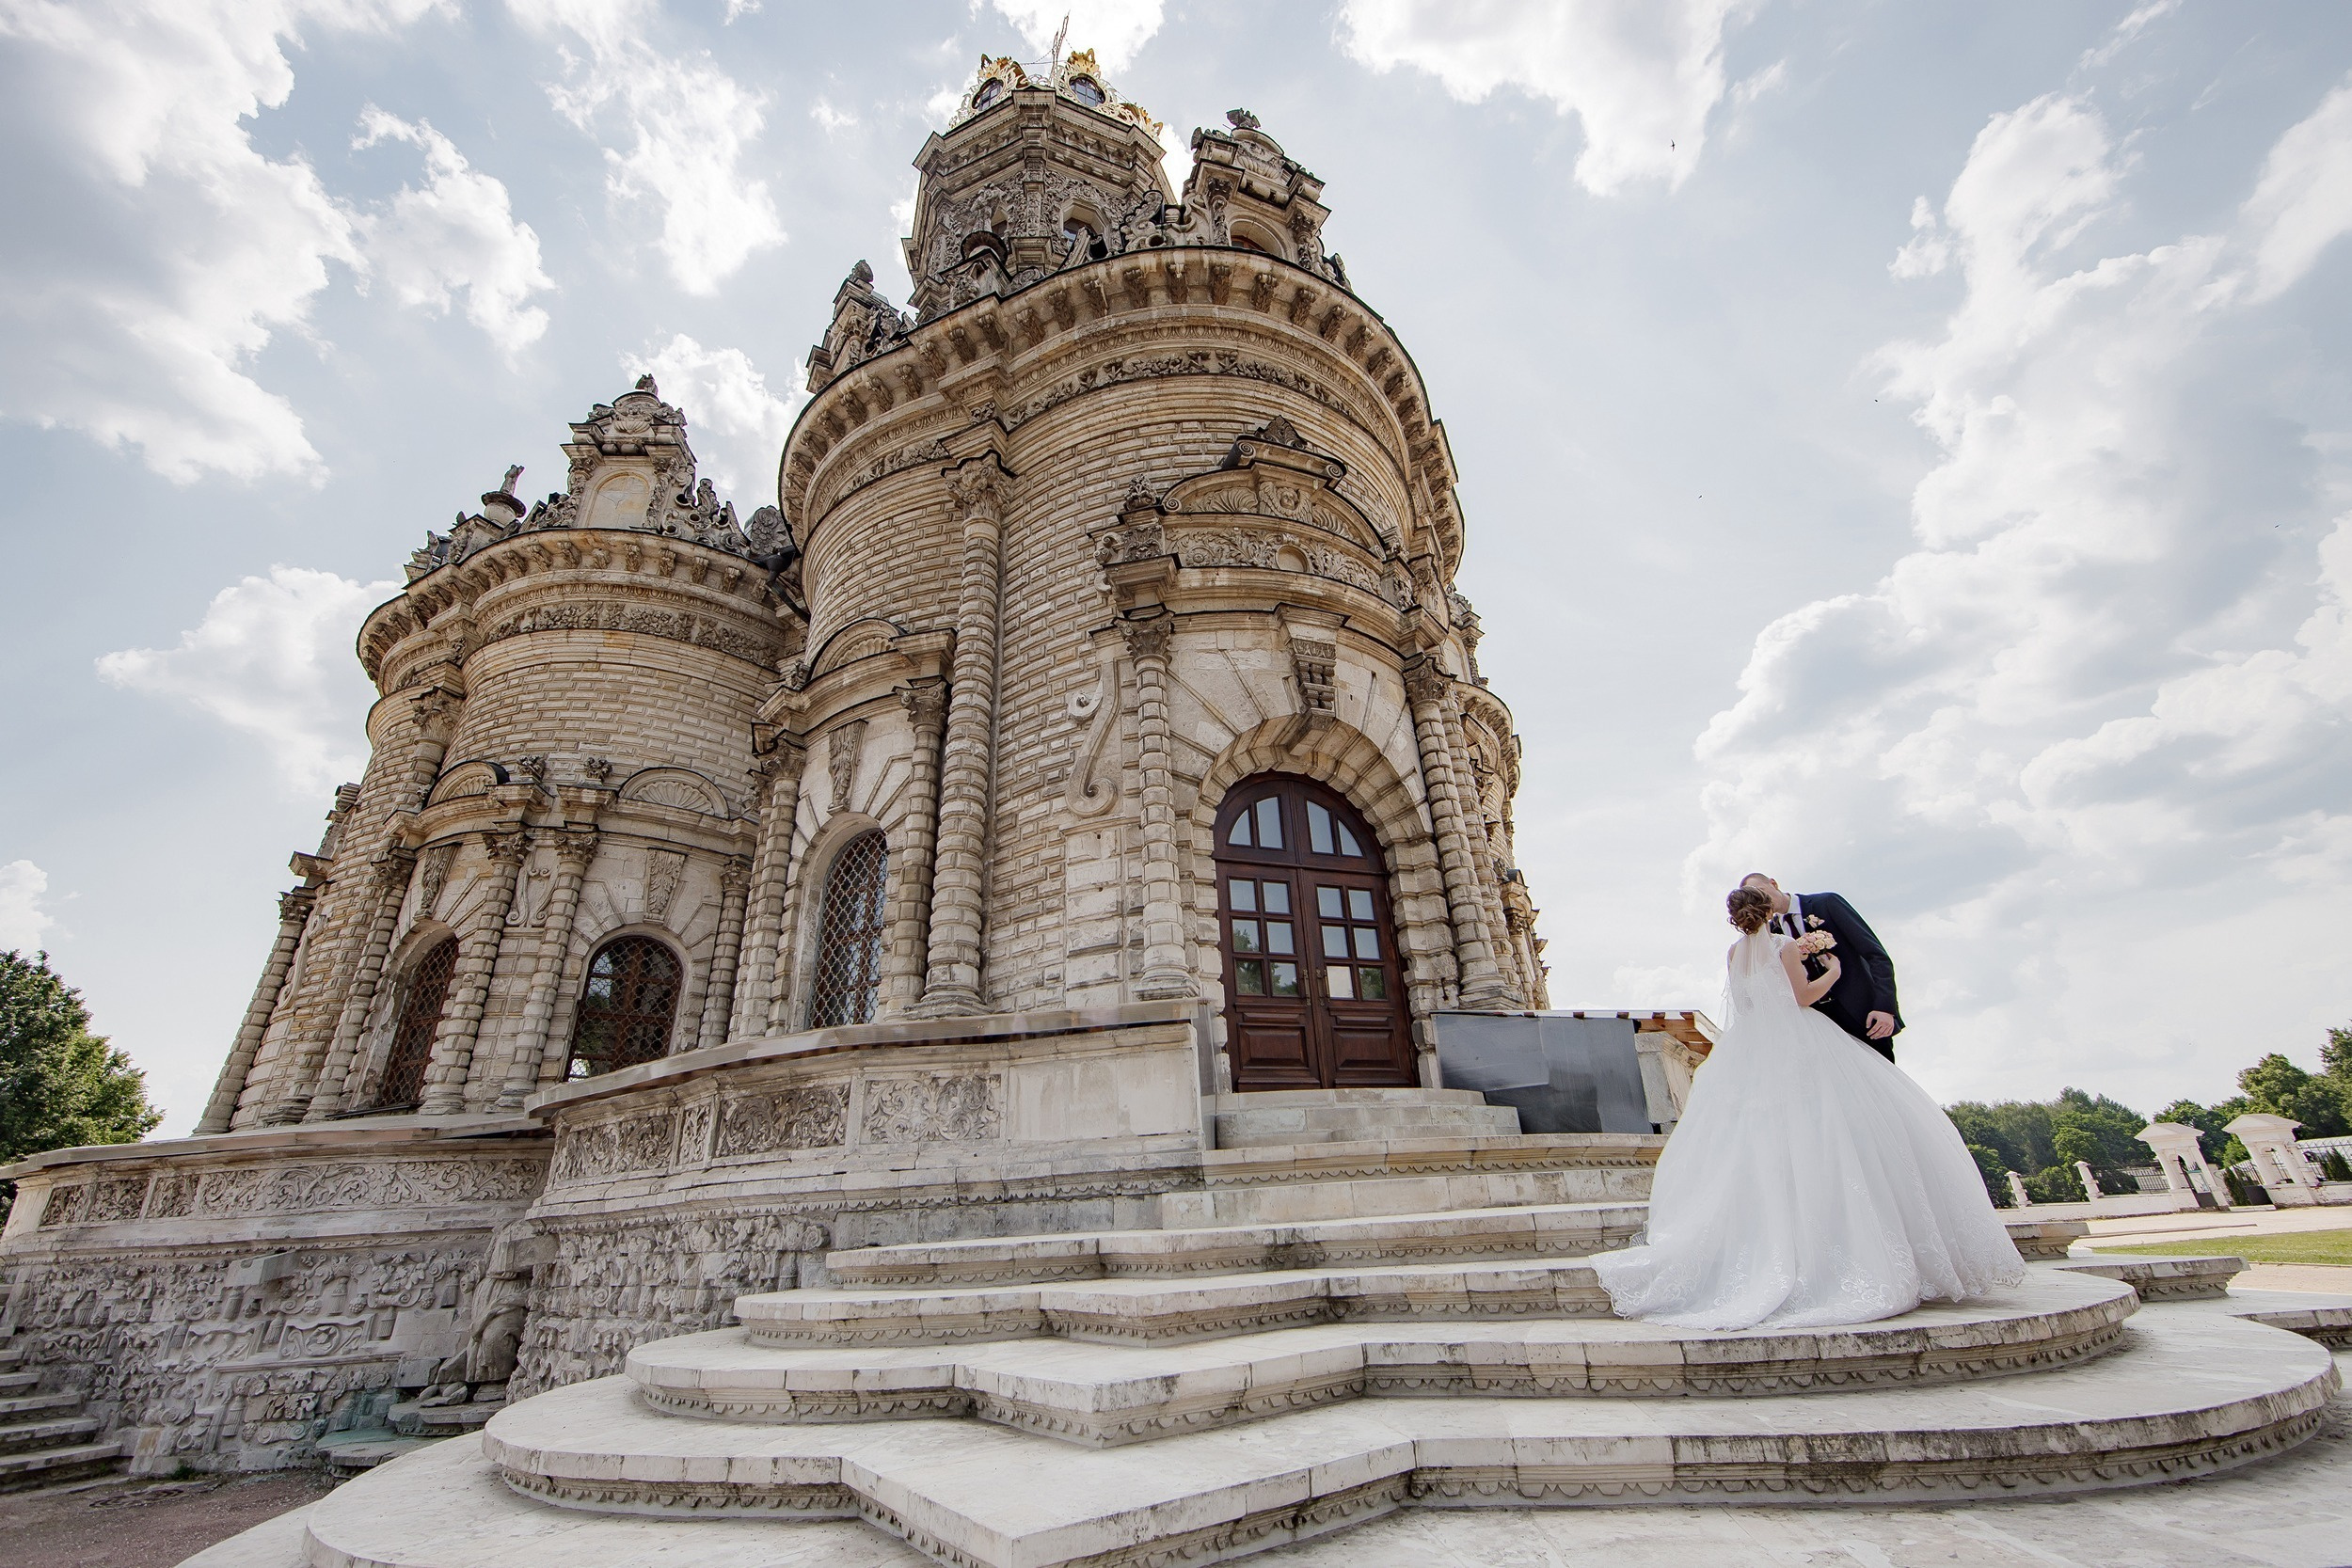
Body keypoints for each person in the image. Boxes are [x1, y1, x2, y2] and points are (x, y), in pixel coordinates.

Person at [1585, 884, 2023, 1330]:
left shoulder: (1734, 953)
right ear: (1766, 911)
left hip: (1751, 1045)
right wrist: (1831, 972)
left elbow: (1745, 1003)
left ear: (1736, 918)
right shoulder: (1783, 945)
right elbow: (1802, 997)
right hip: (1799, 1036)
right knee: (1826, 1123)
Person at [1740, 873, 1902, 1062]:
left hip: (1863, 1014)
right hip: (1819, 1026)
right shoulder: (1772, 935)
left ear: (1773, 884)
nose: (1761, 901)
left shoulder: (1826, 903)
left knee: (1881, 1082)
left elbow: (1876, 955)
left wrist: (1884, 1007)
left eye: (1761, 892)